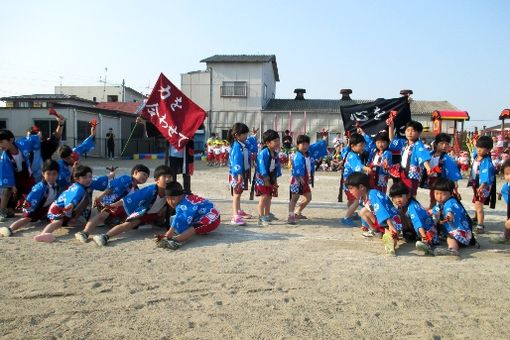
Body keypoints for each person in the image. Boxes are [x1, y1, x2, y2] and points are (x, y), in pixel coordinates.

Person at [91, 165, 174, 246]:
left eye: (170, 177)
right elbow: (129, 199)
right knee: (128, 224)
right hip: (143, 212)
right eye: (165, 177)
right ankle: (105, 236)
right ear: (157, 180)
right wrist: (113, 204)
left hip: (155, 215)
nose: (168, 179)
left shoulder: (172, 190)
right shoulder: (149, 190)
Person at [74, 164, 150, 243]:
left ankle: (104, 230)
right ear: (136, 172)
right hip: (109, 203)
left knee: (123, 221)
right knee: (104, 214)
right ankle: (85, 232)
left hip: (117, 211)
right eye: (144, 174)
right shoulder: (126, 179)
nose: (145, 178)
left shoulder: (137, 190)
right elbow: (111, 188)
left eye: (147, 177)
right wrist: (100, 197)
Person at [34, 165, 95, 242]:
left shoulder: (77, 186)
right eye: (85, 177)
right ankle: (44, 234)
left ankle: (70, 220)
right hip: (58, 208)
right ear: (77, 179)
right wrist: (71, 204)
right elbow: (74, 197)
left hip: (64, 208)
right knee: (58, 222)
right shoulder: (79, 188)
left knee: (85, 200)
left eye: (90, 176)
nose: (88, 179)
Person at [345, 172, 403, 256]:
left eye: (351, 188)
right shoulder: (364, 197)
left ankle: (391, 246)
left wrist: (390, 225)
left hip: (391, 220)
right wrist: (364, 225)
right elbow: (369, 210)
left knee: (390, 234)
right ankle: (377, 232)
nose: (350, 191)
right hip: (382, 220)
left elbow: (382, 210)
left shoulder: (373, 194)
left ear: (361, 187)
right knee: (363, 211)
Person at [0, 160, 60, 237]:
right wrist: (28, 212)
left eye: (54, 174)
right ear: (43, 174)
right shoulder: (39, 188)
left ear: (57, 174)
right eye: (48, 174)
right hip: (33, 207)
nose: (51, 177)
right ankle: (10, 228)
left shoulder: (56, 186)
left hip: (43, 209)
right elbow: (30, 199)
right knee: (26, 219)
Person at [156, 182, 221, 250]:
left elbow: (180, 218)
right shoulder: (185, 197)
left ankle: (175, 240)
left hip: (212, 220)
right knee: (174, 220)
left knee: (192, 229)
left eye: (172, 198)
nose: (170, 201)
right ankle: (170, 237)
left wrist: (169, 232)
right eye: (167, 199)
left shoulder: (185, 205)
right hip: (208, 214)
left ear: (180, 195)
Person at [288, 134, 327, 224]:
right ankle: (291, 215)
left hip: (305, 179)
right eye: (302, 144)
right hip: (296, 180)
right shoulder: (297, 156)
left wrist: (324, 139)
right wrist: (300, 178)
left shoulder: (309, 153)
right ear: (298, 145)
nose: (305, 146)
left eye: (306, 144)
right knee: (294, 198)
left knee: (308, 197)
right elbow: (297, 168)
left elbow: (317, 145)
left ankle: (297, 211)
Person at [389, 181, 437, 255]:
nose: (397, 200)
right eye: (394, 197)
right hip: (415, 231)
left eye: (400, 196)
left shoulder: (412, 207)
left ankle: (427, 243)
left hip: (428, 231)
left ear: (408, 195)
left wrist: (424, 237)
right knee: (397, 214)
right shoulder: (402, 205)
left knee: (400, 215)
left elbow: (417, 222)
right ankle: (410, 235)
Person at [0, 129, 37, 221]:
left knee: (34, 192)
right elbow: (6, 173)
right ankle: (2, 211)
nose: (0, 146)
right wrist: (12, 185)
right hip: (15, 178)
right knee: (7, 190)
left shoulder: (23, 144)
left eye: (1, 142)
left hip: (27, 176)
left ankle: (36, 210)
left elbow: (33, 139)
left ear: (11, 140)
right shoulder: (5, 156)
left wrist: (38, 137)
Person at [388, 119, 433, 197]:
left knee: (410, 194)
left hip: (412, 174)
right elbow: (392, 139)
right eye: (408, 130)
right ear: (405, 132)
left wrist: (428, 168)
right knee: (401, 193)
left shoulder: (419, 145)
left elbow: (423, 157)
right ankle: (402, 208)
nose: (410, 133)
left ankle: (411, 208)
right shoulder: (404, 143)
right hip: (402, 172)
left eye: (413, 131)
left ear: (419, 133)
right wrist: (391, 126)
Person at [431, 178, 474, 256]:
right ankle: (428, 242)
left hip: (461, 233)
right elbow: (433, 210)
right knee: (431, 227)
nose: (439, 196)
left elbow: (449, 212)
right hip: (450, 230)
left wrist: (447, 217)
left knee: (450, 237)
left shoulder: (451, 202)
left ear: (451, 193)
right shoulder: (440, 203)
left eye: (443, 194)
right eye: (436, 193)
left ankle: (453, 249)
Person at [227, 123, 258, 226]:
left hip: (242, 172)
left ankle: (239, 211)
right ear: (236, 135)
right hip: (237, 174)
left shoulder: (242, 143)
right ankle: (235, 216)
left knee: (239, 193)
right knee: (236, 194)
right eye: (244, 134)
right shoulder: (236, 146)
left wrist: (253, 135)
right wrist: (239, 174)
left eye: (246, 134)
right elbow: (236, 161)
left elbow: (250, 142)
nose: (246, 136)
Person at [339, 133, 371, 226]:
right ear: (353, 146)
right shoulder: (353, 156)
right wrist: (367, 168)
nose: (363, 148)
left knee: (351, 200)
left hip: (346, 181)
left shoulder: (347, 151)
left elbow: (344, 149)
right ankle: (346, 217)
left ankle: (351, 213)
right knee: (357, 201)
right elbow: (358, 167)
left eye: (364, 145)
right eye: (361, 145)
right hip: (351, 183)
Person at [425, 133, 462, 209]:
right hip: (432, 181)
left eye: (446, 144)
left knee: (444, 200)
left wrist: (455, 188)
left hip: (443, 182)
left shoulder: (447, 158)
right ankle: (432, 214)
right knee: (433, 199)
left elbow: (452, 173)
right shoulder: (429, 155)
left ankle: (442, 215)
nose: (444, 146)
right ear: (436, 144)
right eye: (441, 143)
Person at [468, 135, 496, 234]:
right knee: (476, 202)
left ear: (488, 150)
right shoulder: (476, 155)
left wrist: (483, 185)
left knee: (479, 205)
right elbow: (474, 150)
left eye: (482, 148)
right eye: (478, 147)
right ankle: (476, 218)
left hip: (482, 185)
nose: (479, 150)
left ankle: (480, 225)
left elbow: (487, 175)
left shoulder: (487, 161)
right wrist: (476, 141)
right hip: (475, 182)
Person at [56, 122, 97, 189]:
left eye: (70, 157)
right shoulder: (60, 166)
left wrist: (92, 134)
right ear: (62, 158)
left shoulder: (75, 152)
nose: (70, 160)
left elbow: (84, 145)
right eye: (67, 159)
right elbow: (63, 182)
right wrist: (73, 170)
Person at [255, 129, 281, 226]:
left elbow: (276, 167)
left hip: (270, 178)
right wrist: (265, 179)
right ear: (268, 143)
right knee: (264, 197)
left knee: (269, 197)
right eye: (275, 141)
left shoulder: (275, 153)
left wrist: (275, 180)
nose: (278, 143)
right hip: (262, 178)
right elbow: (261, 167)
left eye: (278, 140)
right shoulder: (263, 153)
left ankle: (267, 214)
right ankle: (261, 218)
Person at [359, 128, 392, 194]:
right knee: (370, 192)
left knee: (380, 193)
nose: (380, 144)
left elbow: (386, 163)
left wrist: (385, 163)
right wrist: (363, 133)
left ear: (387, 143)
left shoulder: (388, 153)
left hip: (381, 176)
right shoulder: (374, 151)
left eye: (383, 142)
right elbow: (370, 141)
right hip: (371, 175)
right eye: (378, 142)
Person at [492, 159, 510, 243]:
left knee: (508, 224)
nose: (509, 176)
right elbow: (504, 190)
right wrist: (500, 193)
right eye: (507, 174)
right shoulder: (506, 185)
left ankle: (505, 236)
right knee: (508, 221)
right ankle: (506, 236)